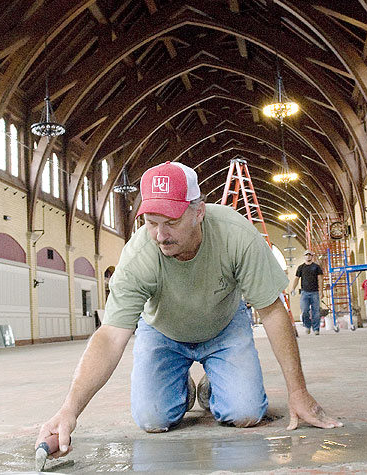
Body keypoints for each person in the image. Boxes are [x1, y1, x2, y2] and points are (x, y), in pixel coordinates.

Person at [36, 161, 341, 458]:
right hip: (164, 331)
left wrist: (298, 392)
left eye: (171, 222)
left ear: (199, 212)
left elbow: (273, 312)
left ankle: (211, 387)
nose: (160, 235)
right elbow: (111, 335)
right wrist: (69, 409)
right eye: (151, 222)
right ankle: (178, 384)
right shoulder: (138, 256)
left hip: (223, 326)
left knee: (245, 413)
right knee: (152, 419)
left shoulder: (237, 236)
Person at [289, 250, 324, 335]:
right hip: (304, 292)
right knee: (304, 310)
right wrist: (293, 288)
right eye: (306, 255)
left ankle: (316, 329)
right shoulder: (301, 267)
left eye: (310, 255)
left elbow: (320, 279)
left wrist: (321, 291)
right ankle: (307, 326)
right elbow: (297, 279)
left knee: (316, 311)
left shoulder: (316, 267)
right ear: (304, 256)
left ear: (312, 256)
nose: (308, 256)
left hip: (315, 292)